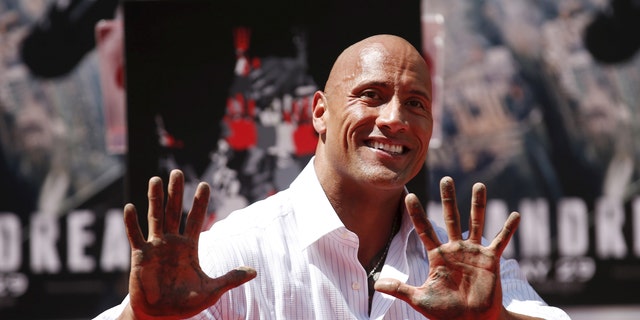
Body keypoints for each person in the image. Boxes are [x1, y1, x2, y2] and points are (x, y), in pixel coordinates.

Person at [94, 34, 570, 319]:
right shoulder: (238, 253)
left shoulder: (466, 267)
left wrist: (494, 319)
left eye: (416, 103)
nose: (394, 119)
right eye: (371, 95)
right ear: (319, 112)